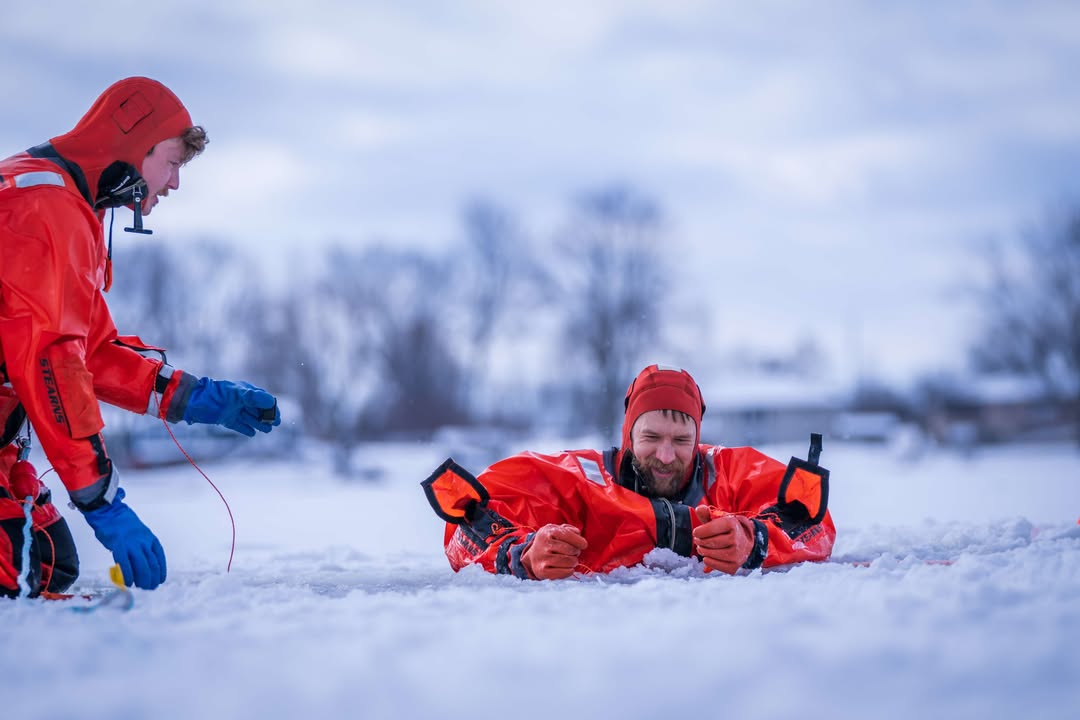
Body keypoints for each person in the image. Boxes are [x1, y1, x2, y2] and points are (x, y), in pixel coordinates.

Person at [0, 77, 281, 598]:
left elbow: (92, 351)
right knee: (18, 579)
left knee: (50, 564)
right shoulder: (46, 210)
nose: (174, 183)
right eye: (172, 163)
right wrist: (103, 503)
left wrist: (195, 398)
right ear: (134, 145)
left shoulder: (64, 201)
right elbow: (52, 364)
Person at [422, 364, 835, 579]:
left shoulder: (731, 471)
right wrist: (522, 555)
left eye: (682, 440)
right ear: (628, 432)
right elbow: (469, 522)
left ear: (700, 437)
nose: (667, 455)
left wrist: (755, 540)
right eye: (651, 437)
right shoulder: (575, 476)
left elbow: (810, 522)